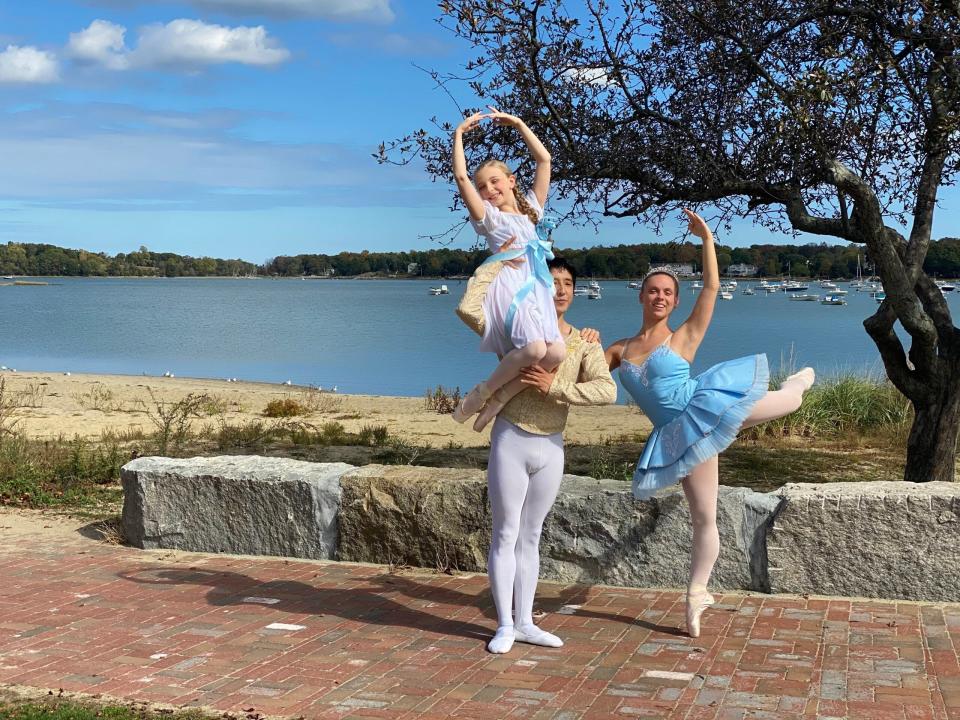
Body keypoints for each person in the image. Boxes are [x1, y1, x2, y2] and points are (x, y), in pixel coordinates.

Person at [606, 209, 815, 638]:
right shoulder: (619, 350)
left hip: (706, 408)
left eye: (667, 292)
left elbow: (713, 287)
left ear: (674, 301)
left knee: (787, 402)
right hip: (677, 435)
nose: (660, 297)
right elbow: (580, 374)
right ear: (641, 296)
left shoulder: (682, 336)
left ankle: (797, 384)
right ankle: (696, 594)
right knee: (705, 516)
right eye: (653, 291)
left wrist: (707, 240)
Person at [457, 253, 617, 653]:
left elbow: (607, 391)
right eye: (552, 282)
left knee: (532, 535)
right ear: (539, 288)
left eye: (567, 284)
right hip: (511, 438)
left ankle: (527, 622)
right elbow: (467, 309)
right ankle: (505, 625)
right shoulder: (516, 332)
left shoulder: (583, 342)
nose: (560, 290)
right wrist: (500, 262)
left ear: (575, 292)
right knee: (505, 532)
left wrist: (555, 388)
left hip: (552, 445)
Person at [450, 107, 566, 431]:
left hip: (538, 286)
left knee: (555, 354)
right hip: (511, 287)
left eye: (494, 181)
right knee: (534, 349)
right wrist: (459, 134)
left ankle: (501, 397)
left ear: (511, 181)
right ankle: (482, 392)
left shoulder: (532, 209)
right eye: (482, 186)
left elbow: (544, 160)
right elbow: (461, 177)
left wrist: (517, 123)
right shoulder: (490, 219)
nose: (488, 190)